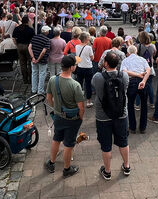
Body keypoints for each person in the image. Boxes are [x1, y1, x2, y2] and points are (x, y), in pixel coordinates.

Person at [92, 52, 130, 180]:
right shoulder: (124, 76)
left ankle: (107, 171)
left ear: (105, 63)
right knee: (123, 142)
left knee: (106, 145)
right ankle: (126, 166)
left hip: (103, 115)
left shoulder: (98, 77)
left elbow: (95, 89)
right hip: (121, 114)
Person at [45, 55, 85, 177]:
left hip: (58, 116)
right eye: (75, 65)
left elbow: (48, 98)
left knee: (56, 139)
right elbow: (81, 107)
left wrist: (56, 108)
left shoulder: (53, 79)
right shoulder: (75, 85)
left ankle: (51, 163)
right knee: (69, 144)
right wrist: (80, 118)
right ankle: (67, 169)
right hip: (72, 119)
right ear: (72, 68)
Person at [121, 45, 151, 134]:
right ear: (136, 51)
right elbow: (148, 70)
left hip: (131, 82)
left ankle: (132, 127)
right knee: (144, 104)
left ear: (128, 53)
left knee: (130, 104)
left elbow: (124, 71)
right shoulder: (142, 59)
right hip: (142, 82)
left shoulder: (125, 60)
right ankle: (143, 127)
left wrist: (136, 75)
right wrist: (144, 80)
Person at [28, 26, 51, 94]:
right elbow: (43, 51)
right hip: (42, 60)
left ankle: (34, 89)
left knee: (34, 73)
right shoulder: (47, 40)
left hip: (34, 59)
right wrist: (38, 59)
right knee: (42, 74)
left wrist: (33, 58)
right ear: (46, 32)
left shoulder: (35, 37)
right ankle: (40, 90)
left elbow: (29, 47)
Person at [12, 16, 34, 84]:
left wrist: (17, 44)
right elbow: (33, 39)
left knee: (22, 63)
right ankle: (30, 79)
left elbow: (14, 38)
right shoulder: (30, 29)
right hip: (28, 46)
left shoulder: (17, 28)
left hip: (19, 46)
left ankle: (25, 79)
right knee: (30, 63)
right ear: (27, 21)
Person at [76, 32, 94, 108]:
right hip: (88, 67)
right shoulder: (89, 47)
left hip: (80, 66)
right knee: (88, 84)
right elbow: (92, 58)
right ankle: (88, 101)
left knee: (79, 84)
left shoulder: (77, 46)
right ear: (86, 39)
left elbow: (77, 57)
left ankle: (79, 100)